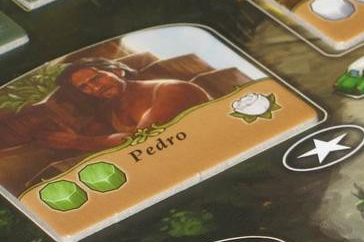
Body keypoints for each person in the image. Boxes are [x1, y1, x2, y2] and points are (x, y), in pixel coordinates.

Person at [0, 58, 210, 157]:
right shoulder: (110, 108)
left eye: (96, 78)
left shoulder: (172, 90)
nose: (94, 88)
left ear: (118, 71)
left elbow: (142, 139)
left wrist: (77, 142)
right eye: (84, 87)